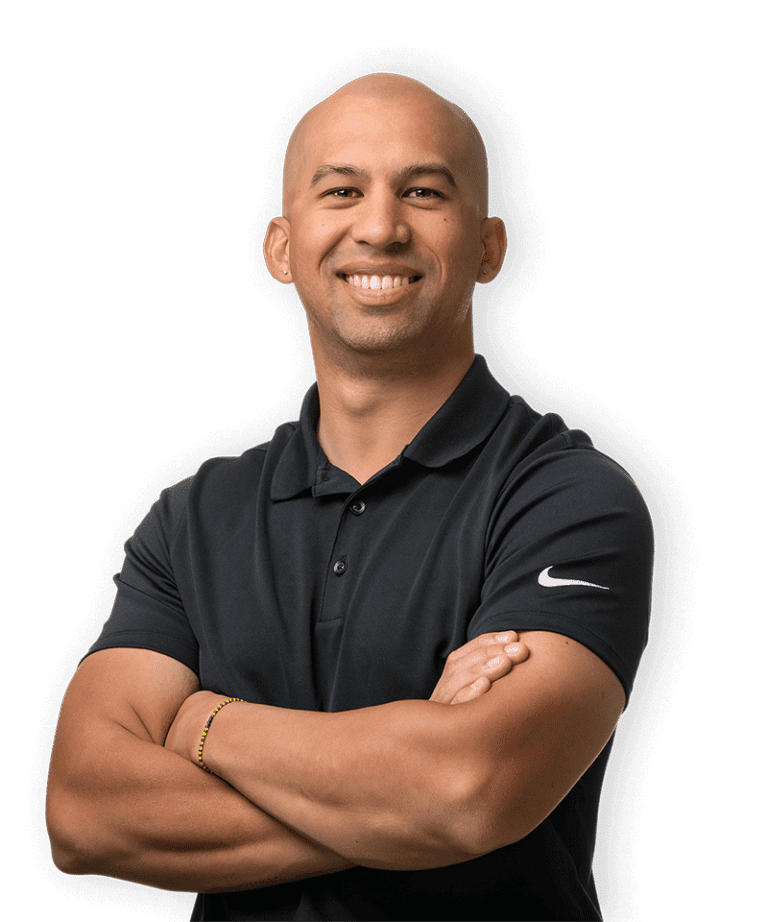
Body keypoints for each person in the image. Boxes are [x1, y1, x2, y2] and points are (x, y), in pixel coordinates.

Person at [46, 73, 654, 921]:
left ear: (488, 247)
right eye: (341, 191)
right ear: (281, 247)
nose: (379, 227)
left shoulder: (568, 500)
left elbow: (469, 788)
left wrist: (202, 724)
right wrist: (406, 792)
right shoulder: (190, 519)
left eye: (423, 191)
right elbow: (83, 813)